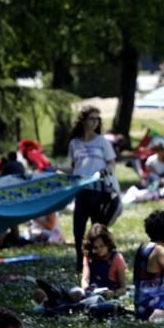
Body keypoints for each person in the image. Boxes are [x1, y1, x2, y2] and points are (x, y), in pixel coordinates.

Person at [68, 106, 117, 269]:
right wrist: (53, 168)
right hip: (81, 190)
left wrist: (106, 171)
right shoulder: (74, 143)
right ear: (83, 121)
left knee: (98, 228)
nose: (95, 122)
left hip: (98, 189)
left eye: (97, 119)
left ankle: (105, 258)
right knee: (78, 228)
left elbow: (111, 162)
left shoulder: (102, 141)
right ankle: (80, 260)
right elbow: (71, 166)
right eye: (91, 118)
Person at [81, 224, 128, 295]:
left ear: (108, 244)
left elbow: (123, 288)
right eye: (95, 248)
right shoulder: (89, 256)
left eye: (102, 246)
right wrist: (86, 288)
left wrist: (113, 293)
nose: (99, 250)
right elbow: (85, 279)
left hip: (109, 292)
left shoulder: (117, 258)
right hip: (92, 291)